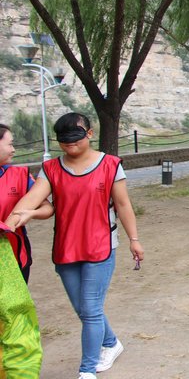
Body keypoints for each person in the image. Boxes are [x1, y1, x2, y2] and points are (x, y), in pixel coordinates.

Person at [8, 112, 143, 379]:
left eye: (76, 138)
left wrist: (134, 240)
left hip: (101, 245)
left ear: (89, 134)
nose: (70, 144)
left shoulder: (111, 165)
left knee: (91, 308)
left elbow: (124, 205)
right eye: (63, 140)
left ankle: (87, 370)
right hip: (66, 247)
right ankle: (111, 343)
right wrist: (12, 220)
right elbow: (33, 198)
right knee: (83, 309)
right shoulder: (51, 169)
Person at [0, 123, 46, 377]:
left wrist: (31, 212)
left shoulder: (18, 175)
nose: (14, 148)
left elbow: (47, 207)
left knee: (13, 315)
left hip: (15, 259)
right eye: (9, 143)